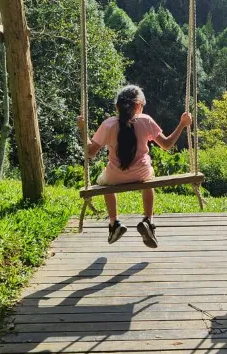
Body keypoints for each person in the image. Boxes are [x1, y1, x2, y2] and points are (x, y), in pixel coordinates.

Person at [77, 85, 192, 248]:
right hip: (141, 173)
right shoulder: (145, 120)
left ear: (118, 107)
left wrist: (83, 130)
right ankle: (148, 220)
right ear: (139, 106)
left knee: (103, 181)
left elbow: (90, 152)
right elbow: (166, 144)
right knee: (148, 177)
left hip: (114, 175)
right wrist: (182, 124)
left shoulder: (108, 124)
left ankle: (114, 222)